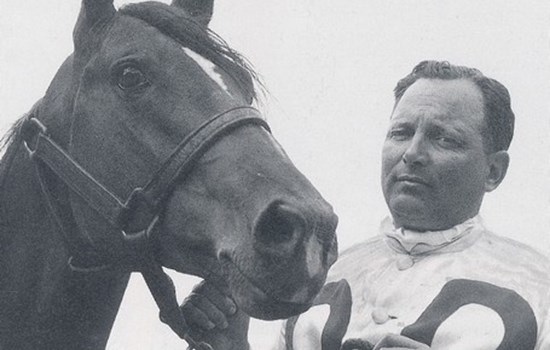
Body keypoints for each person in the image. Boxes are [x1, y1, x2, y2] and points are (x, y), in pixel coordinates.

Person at [180, 61, 550, 349]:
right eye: (401, 133)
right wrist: (227, 345)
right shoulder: (322, 274)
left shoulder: (539, 289)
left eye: (445, 139)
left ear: (494, 171)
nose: (413, 154)